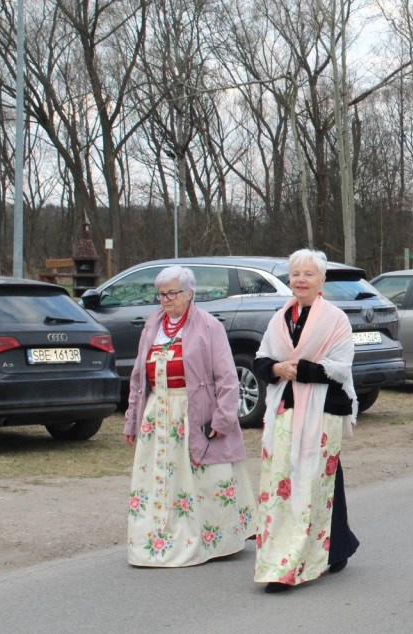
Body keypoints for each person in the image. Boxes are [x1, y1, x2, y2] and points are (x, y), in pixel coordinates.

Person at [124, 266, 255, 567]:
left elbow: (227, 378)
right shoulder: (152, 325)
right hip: (158, 414)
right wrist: (133, 417)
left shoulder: (209, 326)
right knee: (160, 479)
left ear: (190, 293)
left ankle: (213, 540)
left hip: (193, 412)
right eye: (161, 294)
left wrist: (222, 419)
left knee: (200, 478)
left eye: (173, 293)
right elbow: (137, 377)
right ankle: (157, 537)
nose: (166, 299)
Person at [253, 249, 360, 592]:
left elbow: (342, 366)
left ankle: (298, 559)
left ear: (322, 280)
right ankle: (329, 547)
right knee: (285, 479)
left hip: (321, 410)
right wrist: (274, 368)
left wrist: (298, 369)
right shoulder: (281, 316)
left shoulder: (335, 318)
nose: (300, 279)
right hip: (285, 409)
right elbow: (261, 357)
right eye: (295, 273)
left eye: (308, 274)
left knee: (315, 482)